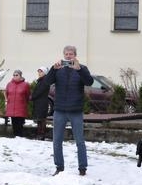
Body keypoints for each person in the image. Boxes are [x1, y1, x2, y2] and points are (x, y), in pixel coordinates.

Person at [44, 45, 94, 176]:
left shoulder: (82, 68)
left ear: (75, 55)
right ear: (63, 55)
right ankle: (59, 167)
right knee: (57, 140)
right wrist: (53, 70)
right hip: (59, 110)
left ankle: (82, 168)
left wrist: (79, 70)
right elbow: (47, 82)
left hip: (76, 110)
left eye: (71, 54)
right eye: (66, 54)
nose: (68, 56)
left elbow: (89, 82)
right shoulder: (58, 69)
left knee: (80, 141)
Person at [4, 69, 31, 138]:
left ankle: (20, 137)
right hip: (12, 108)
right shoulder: (9, 84)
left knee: (19, 124)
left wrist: (25, 103)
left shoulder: (25, 85)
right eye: (14, 75)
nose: (15, 76)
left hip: (21, 108)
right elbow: (6, 94)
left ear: (20, 76)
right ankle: (15, 137)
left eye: (17, 75)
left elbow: (28, 95)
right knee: (14, 124)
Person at [30, 66, 50, 140]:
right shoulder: (41, 80)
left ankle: (41, 134)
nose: (39, 73)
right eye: (38, 71)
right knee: (39, 119)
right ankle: (39, 133)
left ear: (44, 73)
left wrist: (32, 97)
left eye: (41, 71)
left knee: (42, 119)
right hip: (39, 102)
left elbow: (39, 91)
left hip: (42, 102)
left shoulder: (45, 80)